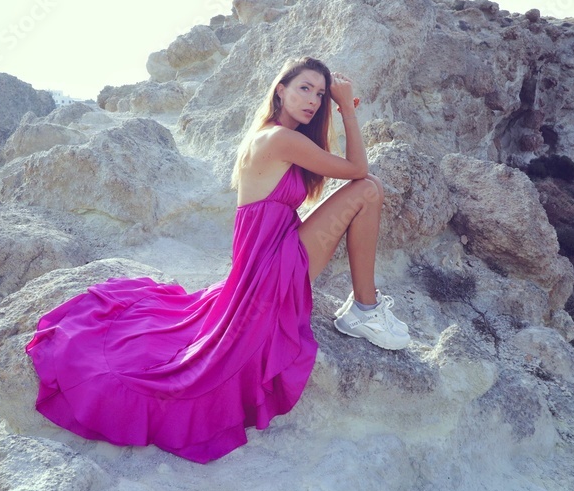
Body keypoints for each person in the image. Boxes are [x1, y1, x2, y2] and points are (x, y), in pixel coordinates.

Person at [25, 56, 410, 464]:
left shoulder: (279, 137)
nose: (314, 99)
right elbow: (356, 170)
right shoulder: (280, 139)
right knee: (368, 188)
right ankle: (365, 311)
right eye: (304, 88)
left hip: (269, 260)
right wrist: (346, 108)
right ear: (280, 89)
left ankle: (365, 309)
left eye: (320, 93)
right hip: (269, 269)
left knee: (368, 187)